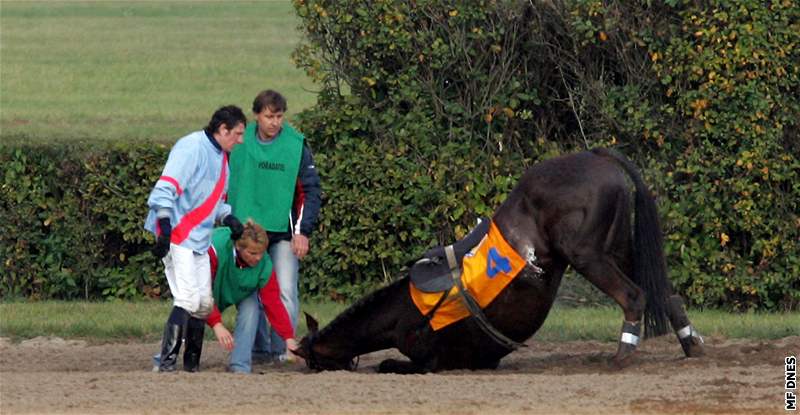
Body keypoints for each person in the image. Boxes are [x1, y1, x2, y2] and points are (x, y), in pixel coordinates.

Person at [144, 105, 247, 372]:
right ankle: (165, 364)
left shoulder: (223, 157)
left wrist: (229, 219)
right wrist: (164, 229)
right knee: (188, 300)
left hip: (199, 239)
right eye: (237, 134)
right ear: (223, 130)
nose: (241, 140)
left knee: (203, 305)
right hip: (178, 234)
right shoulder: (190, 148)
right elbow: (165, 189)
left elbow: (214, 203)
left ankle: (191, 364)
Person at [226, 89, 321, 362]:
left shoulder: (296, 146)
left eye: (279, 116)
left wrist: (302, 232)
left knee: (285, 290)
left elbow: (310, 191)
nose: (275, 122)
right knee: (250, 291)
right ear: (257, 115)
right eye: (269, 116)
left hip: (282, 233)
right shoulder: (239, 141)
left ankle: (284, 351)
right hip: (246, 233)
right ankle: (258, 351)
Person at [204, 220, 298, 373]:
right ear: (238, 247)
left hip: (240, 291)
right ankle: (165, 360)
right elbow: (201, 290)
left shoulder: (264, 264)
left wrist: (288, 337)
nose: (258, 258)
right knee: (187, 311)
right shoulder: (216, 247)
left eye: (262, 252)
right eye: (253, 253)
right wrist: (216, 324)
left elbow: (273, 303)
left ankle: (240, 366)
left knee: (252, 306)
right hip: (205, 288)